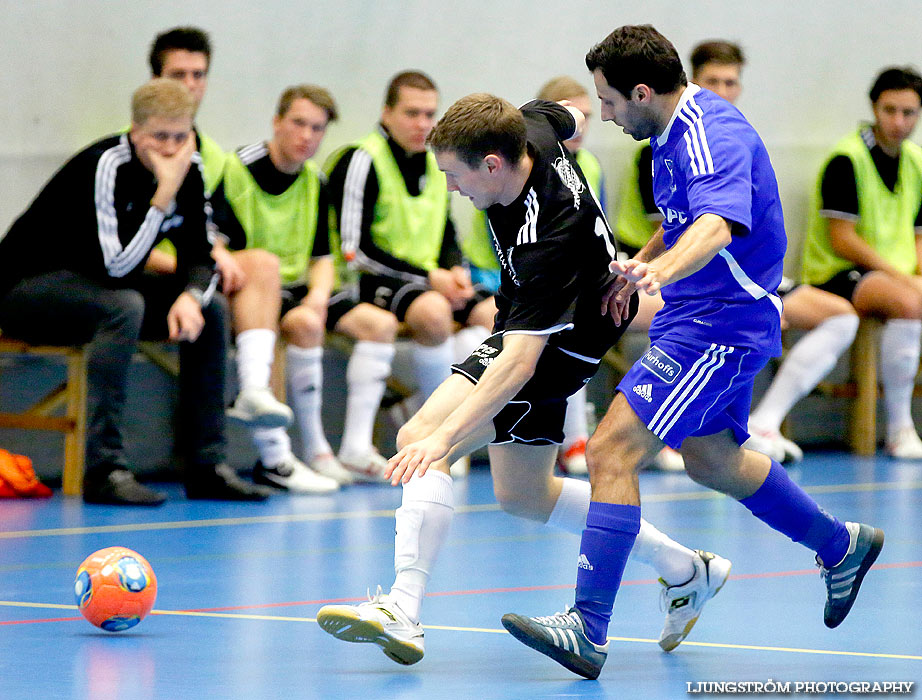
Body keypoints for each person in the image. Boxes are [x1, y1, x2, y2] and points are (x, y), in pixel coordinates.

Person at [501, 25, 884, 680]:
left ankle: (587, 629)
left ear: (642, 91)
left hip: (720, 325)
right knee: (712, 460)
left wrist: (664, 274)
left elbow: (716, 223)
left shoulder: (713, 135)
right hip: (699, 316)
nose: (610, 115)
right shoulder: (669, 134)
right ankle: (840, 546)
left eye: (612, 102)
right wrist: (639, 264)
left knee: (610, 451)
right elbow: (680, 220)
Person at [315, 93, 731, 665]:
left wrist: (445, 441)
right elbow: (571, 111)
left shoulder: (547, 239)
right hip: (553, 329)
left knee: (421, 443)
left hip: (553, 343)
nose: (452, 189)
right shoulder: (528, 128)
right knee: (525, 494)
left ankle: (402, 611)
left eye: (456, 176)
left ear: (492, 164)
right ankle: (687, 569)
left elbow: (519, 364)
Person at [0, 79, 274, 505]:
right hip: (27, 289)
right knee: (123, 306)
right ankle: (104, 469)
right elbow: (116, 266)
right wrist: (162, 196)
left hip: (100, 286)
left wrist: (190, 295)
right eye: (159, 137)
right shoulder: (106, 165)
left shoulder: (190, 165)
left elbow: (202, 257)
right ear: (135, 130)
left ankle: (207, 466)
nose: (170, 148)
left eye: (180, 137)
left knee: (212, 309)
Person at [146, 28, 345, 490]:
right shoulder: (138, 147)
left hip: (204, 278)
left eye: (198, 75)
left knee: (272, 294)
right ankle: (271, 454)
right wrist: (207, 261)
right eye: (178, 74)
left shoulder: (210, 153)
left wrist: (316, 295)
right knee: (254, 281)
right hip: (154, 274)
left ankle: (293, 437)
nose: (189, 85)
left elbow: (321, 254)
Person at [218, 85, 400, 488]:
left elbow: (322, 257)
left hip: (297, 288)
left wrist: (319, 295)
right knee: (300, 327)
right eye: (299, 123)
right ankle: (299, 454)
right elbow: (215, 242)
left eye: (317, 129)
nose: (307, 136)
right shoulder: (238, 168)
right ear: (277, 122)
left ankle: (348, 450)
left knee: (378, 325)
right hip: (252, 288)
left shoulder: (315, 180)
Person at [325, 72, 497, 412]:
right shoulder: (360, 160)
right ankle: (436, 423)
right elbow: (354, 252)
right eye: (411, 113)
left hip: (428, 281)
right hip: (369, 281)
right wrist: (431, 279)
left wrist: (455, 271)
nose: (422, 124)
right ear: (386, 113)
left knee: (499, 315)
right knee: (434, 313)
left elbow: (446, 231)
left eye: (429, 115)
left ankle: (431, 405)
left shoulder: (438, 162)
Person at [464, 76, 606, 476]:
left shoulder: (583, 161)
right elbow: (510, 254)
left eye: (601, 112)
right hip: (496, 280)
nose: (452, 186)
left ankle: (581, 435)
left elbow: (589, 230)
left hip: (555, 283)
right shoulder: (505, 180)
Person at [801, 67, 922, 460]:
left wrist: (916, 276)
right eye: (891, 110)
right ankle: (901, 428)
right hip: (836, 272)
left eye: (909, 113)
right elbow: (843, 239)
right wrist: (904, 279)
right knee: (909, 304)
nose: (899, 122)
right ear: (874, 107)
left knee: (913, 296)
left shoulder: (916, 163)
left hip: (891, 274)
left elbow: (918, 236)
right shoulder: (847, 159)